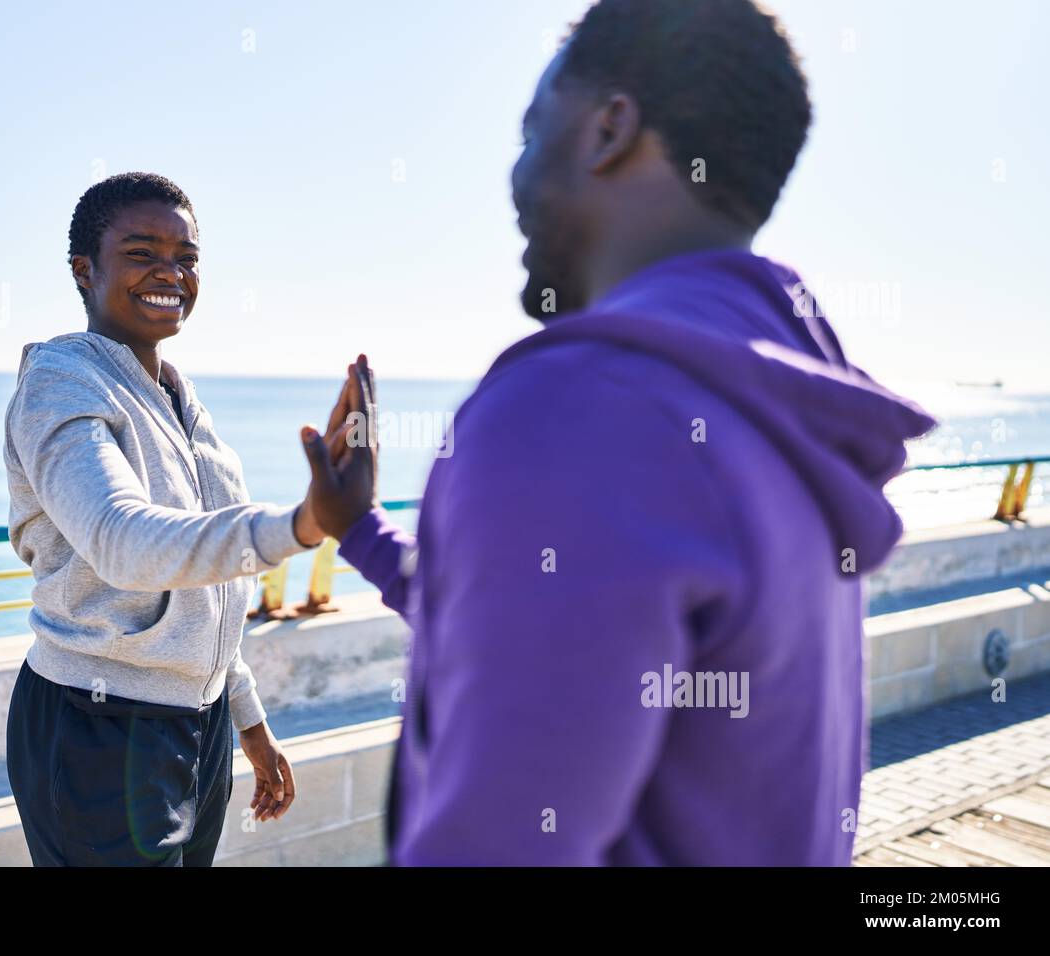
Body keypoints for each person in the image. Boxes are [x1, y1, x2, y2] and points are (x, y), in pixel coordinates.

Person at [300, 0, 936, 865]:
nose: (517, 177)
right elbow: (554, 638)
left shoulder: (579, 405)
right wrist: (361, 532)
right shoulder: (775, 405)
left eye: (531, 134)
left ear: (608, 128)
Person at [3, 172, 340, 866]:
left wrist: (244, 716)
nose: (170, 273)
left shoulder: (181, 400)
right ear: (83, 269)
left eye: (186, 258)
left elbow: (204, 585)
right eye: (142, 252)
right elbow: (122, 541)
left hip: (200, 722)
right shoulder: (61, 383)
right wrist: (303, 525)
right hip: (97, 722)